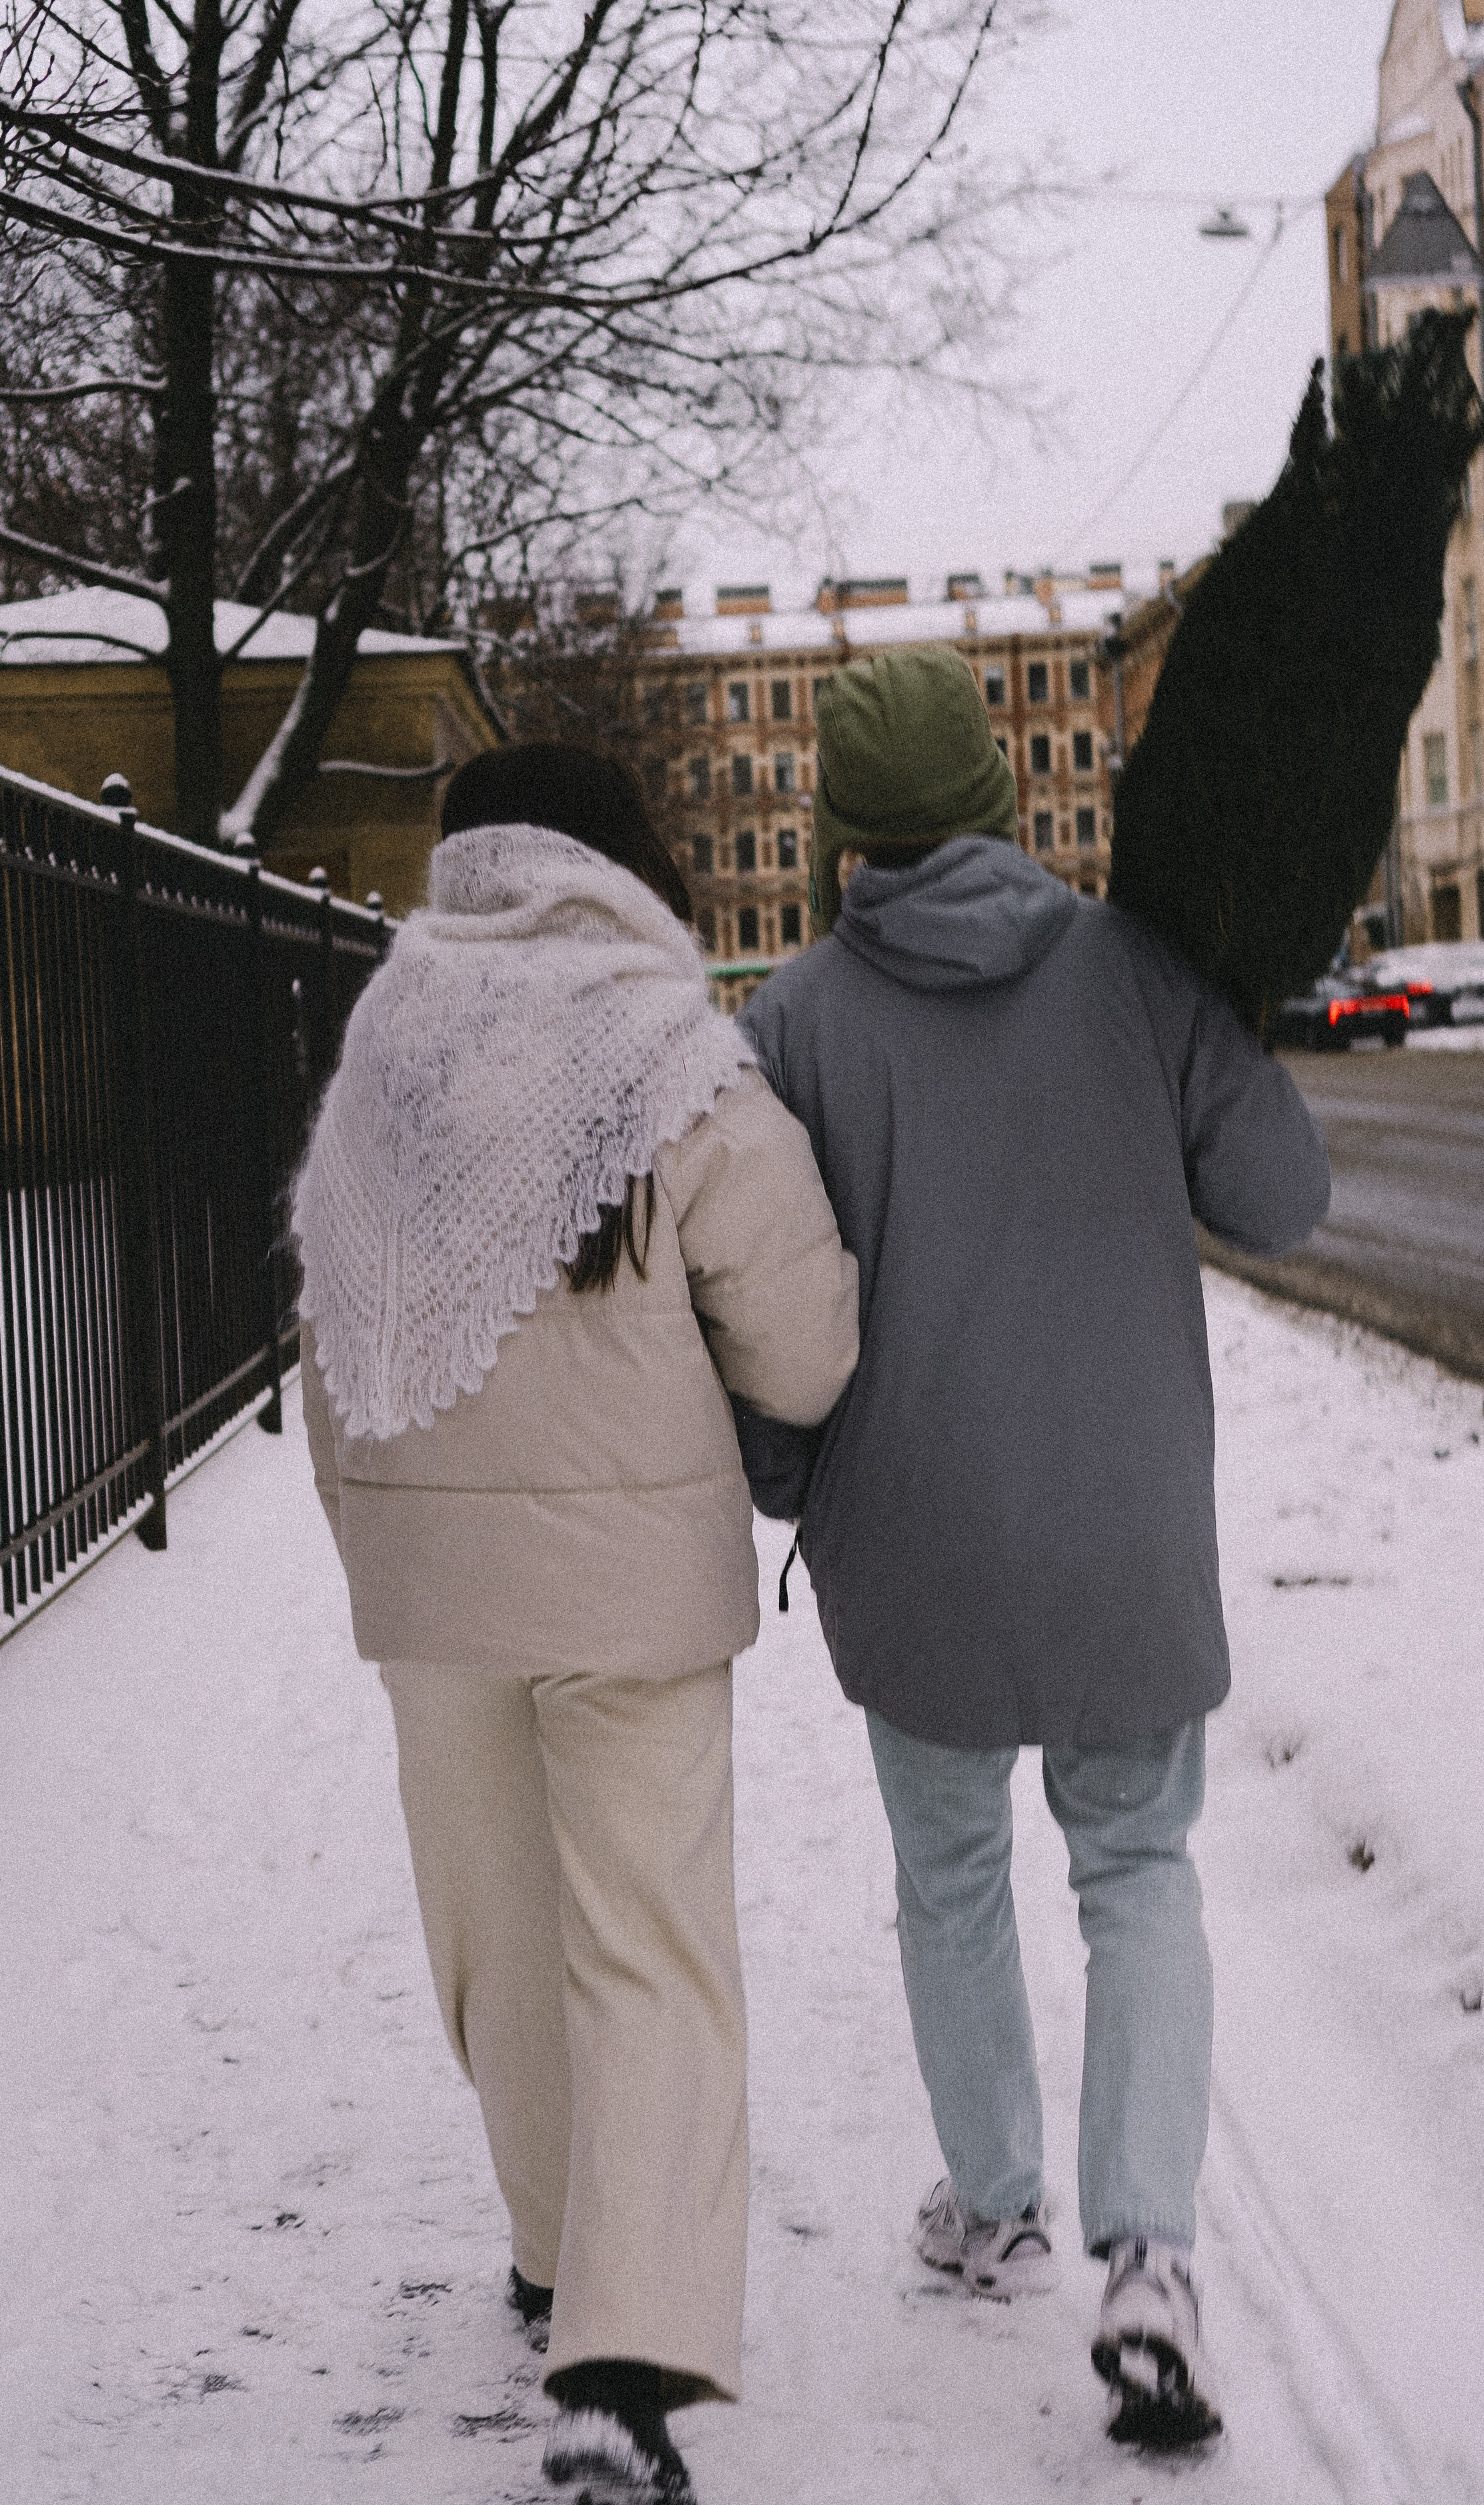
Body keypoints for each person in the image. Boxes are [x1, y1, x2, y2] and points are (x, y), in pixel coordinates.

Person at [734, 644, 1330, 2453]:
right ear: (1000, 794)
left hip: (910, 1539)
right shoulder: (1138, 970)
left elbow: (768, 1309)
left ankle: (990, 2195)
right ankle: (1149, 2259)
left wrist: (785, 1481)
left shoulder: (794, 1021)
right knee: (1139, 1869)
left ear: (841, 827)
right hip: (1124, 1530)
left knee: (952, 1873)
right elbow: (1286, 1200)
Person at [295, 742, 859, 2504]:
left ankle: (550, 2252)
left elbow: (330, 1323)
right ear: (617, 866)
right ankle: (624, 2355)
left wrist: (378, 1540)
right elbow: (805, 1342)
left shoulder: (386, 1051)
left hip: (432, 1591)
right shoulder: (675, 1052)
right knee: (649, 1947)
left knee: (498, 1934)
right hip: (632, 1596)